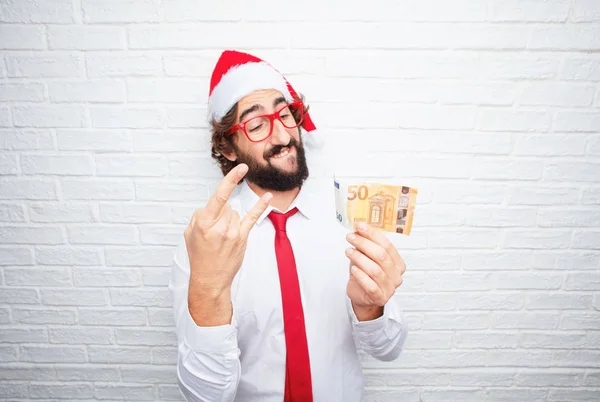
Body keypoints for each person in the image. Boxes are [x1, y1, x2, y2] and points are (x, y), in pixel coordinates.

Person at [169, 50, 408, 402]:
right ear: (229, 148)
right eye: (256, 124)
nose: (282, 135)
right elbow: (203, 396)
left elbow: (388, 349)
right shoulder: (206, 244)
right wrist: (209, 293)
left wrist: (370, 308)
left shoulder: (348, 223)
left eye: (285, 114)